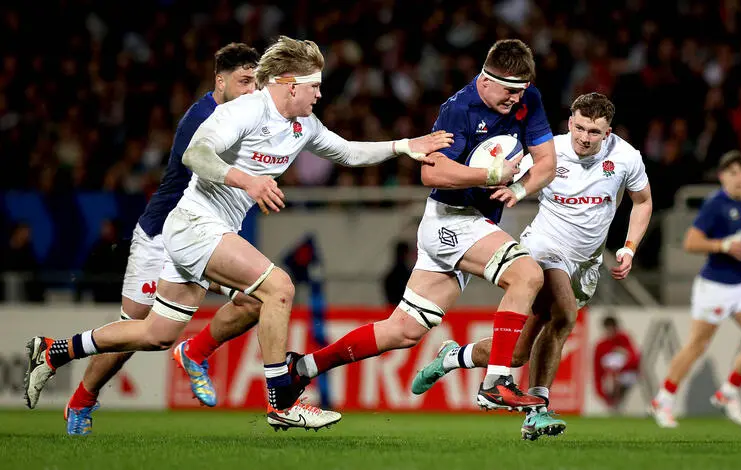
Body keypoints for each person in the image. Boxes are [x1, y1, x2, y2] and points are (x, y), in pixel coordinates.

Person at [23, 36, 452, 429]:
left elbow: (348, 151)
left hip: (207, 231)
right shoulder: (245, 109)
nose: (320, 94)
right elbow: (196, 153)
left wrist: (403, 146)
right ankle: (281, 402)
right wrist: (248, 181)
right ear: (288, 84)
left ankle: (55, 350)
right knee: (278, 288)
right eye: (314, 86)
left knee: (155, 333)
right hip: (194, 224)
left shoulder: (305, 125)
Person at [290, 39, 558, 412]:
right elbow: (432, 171)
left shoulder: (529, 99)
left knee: (403, 330)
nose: (515, 99)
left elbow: (546, 161)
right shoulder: (459, 109)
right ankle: (496, 382)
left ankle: (303, 367)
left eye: (521, 91)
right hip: (452, 220)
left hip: (470, 225)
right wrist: (490, 173)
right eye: (509, 90)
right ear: (485, 79)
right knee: (527, 275)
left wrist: (520, 187)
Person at [411, 92, 653, 439]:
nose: (585, 138)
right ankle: (537, 412)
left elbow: (642, 202)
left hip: (586, 264)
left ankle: (453, 357)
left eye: (594, 132)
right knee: (564, 316)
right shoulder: (548, 151)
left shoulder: (626, 158)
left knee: (518, 353)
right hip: (545, 249)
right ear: (570, 122)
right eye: (580, 128)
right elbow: (503, 175)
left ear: (608, 132)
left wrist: (629, 248)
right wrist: (508, 189)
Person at [650, 151, 741, 429]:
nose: (738, 178)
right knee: (697, 345)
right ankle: (663, 399)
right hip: (714, 285)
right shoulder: (715, 204)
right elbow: (691, 243)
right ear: (722, 177)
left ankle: (728, 393)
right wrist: (723, 246)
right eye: (732, 173)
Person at [593, 316, 640, 411]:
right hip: (610, 379)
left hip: (626, 375)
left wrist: (625, 354)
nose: (610, 332)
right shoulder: (601, 345)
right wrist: (599, 390)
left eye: (612, 329)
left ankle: (618, 401)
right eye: (608, 329)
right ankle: (614, 402)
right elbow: (597, 370)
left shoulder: (624, 339)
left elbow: (635, 359)